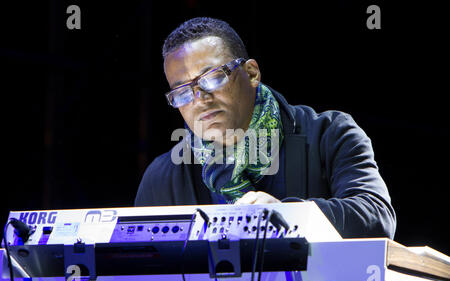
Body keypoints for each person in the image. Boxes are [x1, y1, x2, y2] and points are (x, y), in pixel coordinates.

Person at [135, 17, 396, 239]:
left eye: (213, 78)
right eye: (182, 92)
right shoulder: (162, 177)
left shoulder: (330, 133)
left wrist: (285, 216)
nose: (200, 99)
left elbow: (376, 218)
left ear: (251, 73)